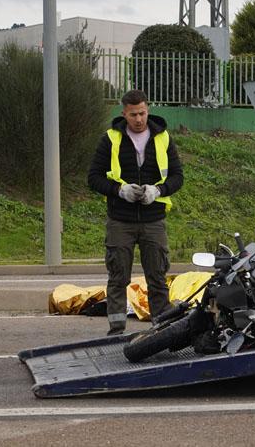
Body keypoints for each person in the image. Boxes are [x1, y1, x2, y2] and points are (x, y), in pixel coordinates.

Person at [87, 89, 184, 335]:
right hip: (121, 220)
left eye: (142, 113)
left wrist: (158, 191)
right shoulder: (110, 139)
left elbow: (177, 177)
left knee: (157, 278)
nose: (138, 119)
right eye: (133, 115)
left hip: (154, 220)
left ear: (147, 110)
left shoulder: (162, 138)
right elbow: (94, 178)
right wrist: (120, 191)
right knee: (118, 277)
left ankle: (161, 328)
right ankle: (117, 328)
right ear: (124, 114)